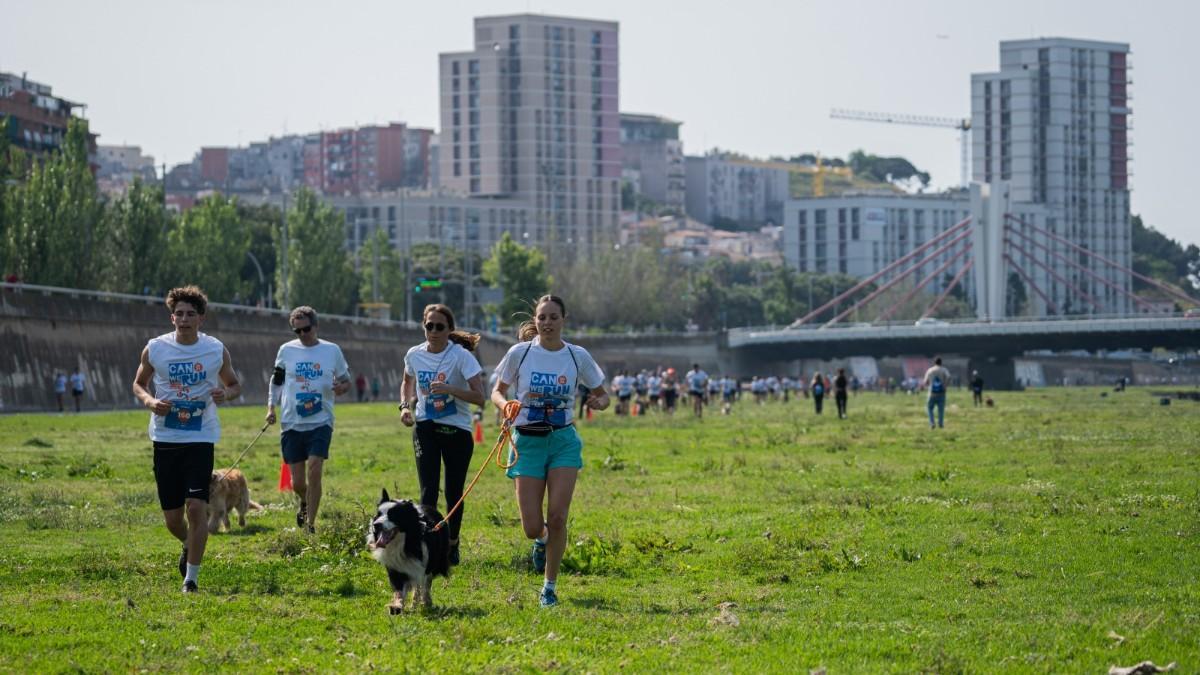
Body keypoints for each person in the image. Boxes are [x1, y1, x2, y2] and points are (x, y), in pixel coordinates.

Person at [490, 295, 609, 608]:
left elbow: (603, 394)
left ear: (563, 320)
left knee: (557, 517)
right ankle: (541, 540)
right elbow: (497, 391)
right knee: (532, 527)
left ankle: (549, 588)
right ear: (535, 320)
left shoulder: (576, 356)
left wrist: (600, 402)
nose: (547, 323)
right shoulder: (520, 353)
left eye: (553, 317)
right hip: (527, 442)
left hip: (563, 442)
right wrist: (506, 405)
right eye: (542, 318)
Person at [131, 286, 241, 593]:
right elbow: (139, 384)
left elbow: (234, 385)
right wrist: (150, 402)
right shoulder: (156, 347)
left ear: (201, 319)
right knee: (172, 519)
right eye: (179, 313)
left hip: (200, 435)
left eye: (190, 314)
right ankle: (188, 544)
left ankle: (190, 579)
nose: (184, 319)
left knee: (196, 506)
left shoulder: (215, 349)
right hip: (165, 436)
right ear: (172, 317)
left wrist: (225, 394)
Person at [399, 304, 485, 566]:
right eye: (429, 326)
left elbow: (480, 398)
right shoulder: (414, 354)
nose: (433, 331)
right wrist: (404, 406)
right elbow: (407, 381)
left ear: (449, 329)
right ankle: (429, 544)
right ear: (423, 326)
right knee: (428, 491)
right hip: (426, 427)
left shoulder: (461, 357)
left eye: (439, 327)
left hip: (457, 430)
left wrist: (450, 389)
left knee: (454, 492)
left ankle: (452, 542)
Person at [265, 306, 352, 534]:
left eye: (306, 329)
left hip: (321, 420)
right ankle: (303, 501)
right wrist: (270, 408)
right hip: (292, 422)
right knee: (298, 484)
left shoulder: (331, 350)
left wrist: (341, 388)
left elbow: (346, 380)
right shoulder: (286, 350)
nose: (303, 335)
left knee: (315, 468)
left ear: (316, 326)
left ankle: (310, 525)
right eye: (297, 331)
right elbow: (277, 382)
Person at [923, 357, 952, 429]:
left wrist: (929, 385)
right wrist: (945, 385)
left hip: (932, 393)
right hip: (942, 392)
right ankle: (941, 424)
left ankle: (932, 423)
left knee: (929, 408)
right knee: (941, 409)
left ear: (934, 362)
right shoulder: (944, 369)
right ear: (941, 363)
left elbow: (925, 382)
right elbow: (949, 377)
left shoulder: (930, 370)